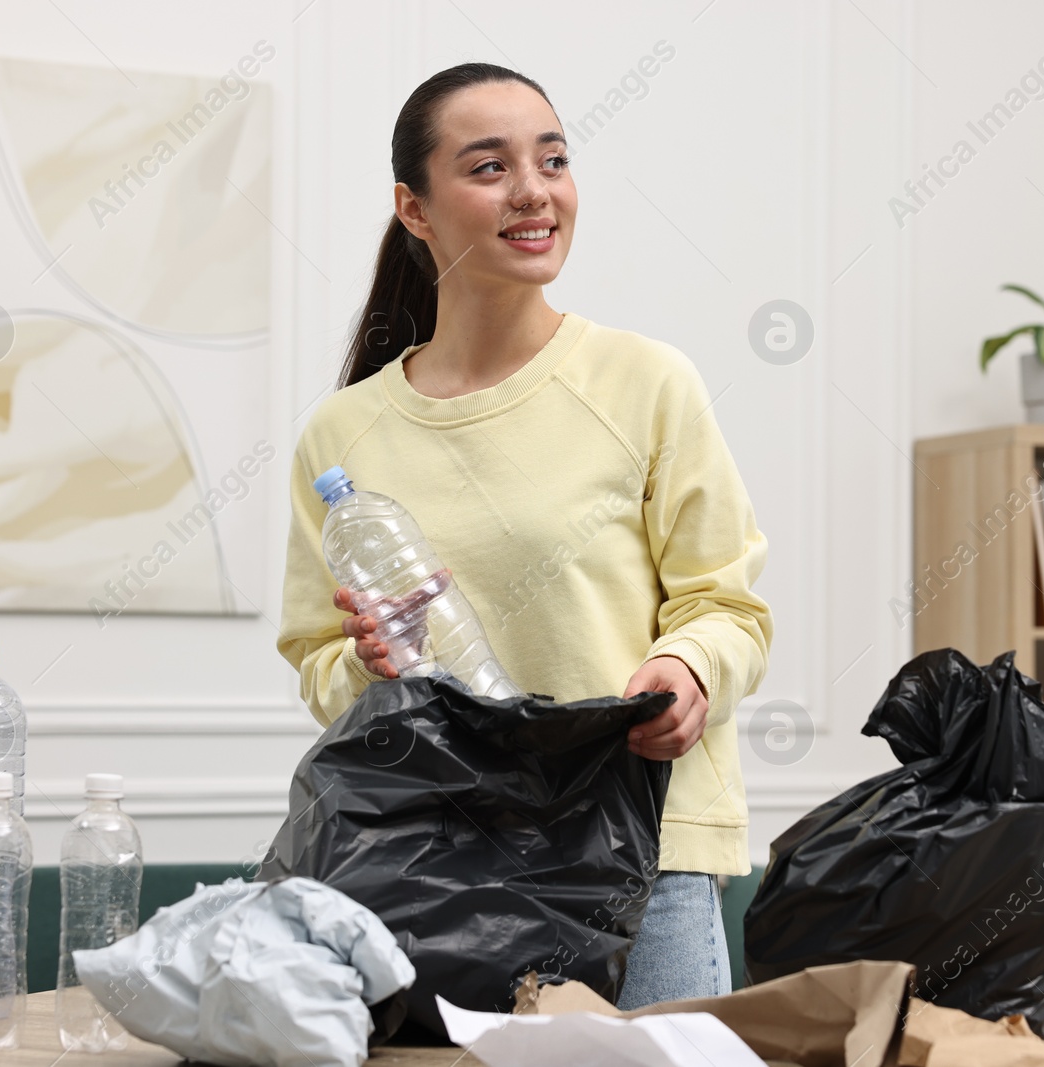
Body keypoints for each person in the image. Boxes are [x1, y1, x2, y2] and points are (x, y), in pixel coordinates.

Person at [276, 61, 773, 1009]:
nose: (534, 190)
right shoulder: (342, 437)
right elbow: (321, 669)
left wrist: (691, 672)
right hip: (438, 864)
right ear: (414, 209)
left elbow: (729, 603)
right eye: (489, 167)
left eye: (552, 158)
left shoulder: (647, 382)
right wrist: (372, 667)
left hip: (643, 850)